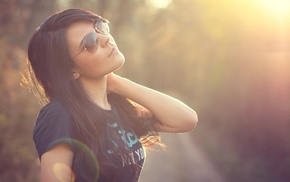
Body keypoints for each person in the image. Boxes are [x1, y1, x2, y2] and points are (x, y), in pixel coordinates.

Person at [26, 8, 198, 182]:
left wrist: (118, 83)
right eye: (90, 42)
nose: (106, 39)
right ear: (71, 70)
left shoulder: (119, 108)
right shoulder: (59, 115)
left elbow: (186, 119)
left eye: (100, 27)